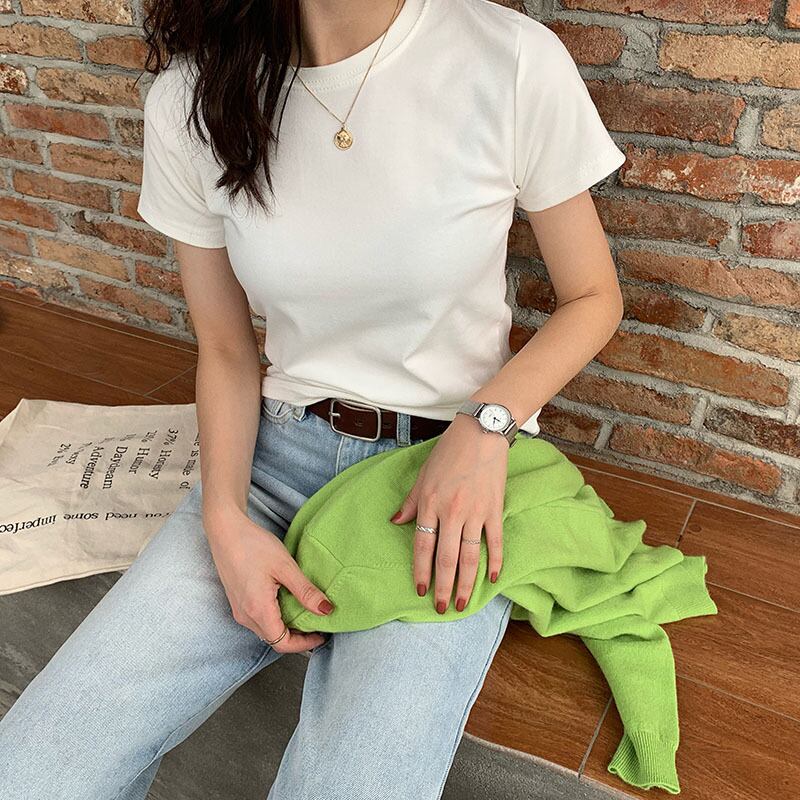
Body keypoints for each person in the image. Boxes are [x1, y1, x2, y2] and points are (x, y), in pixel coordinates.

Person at [0, 0, 628, 797]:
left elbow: (593, 297)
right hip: (272, 466)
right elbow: (226, 349)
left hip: (444, 478)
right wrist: (224, 517)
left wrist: (486, 427)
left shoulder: (507, 58)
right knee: (30, 772)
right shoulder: (194, 96)